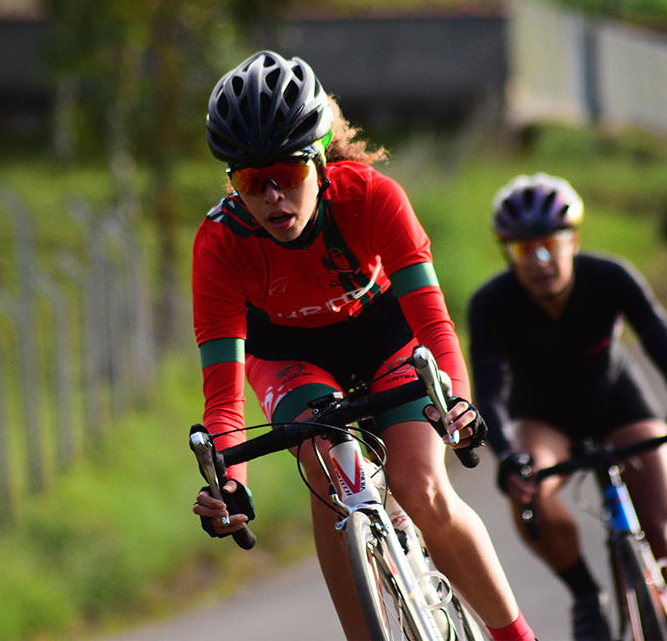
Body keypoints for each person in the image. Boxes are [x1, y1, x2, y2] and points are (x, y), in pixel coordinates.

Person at [190, 50, 536, 641]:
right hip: (290, 357)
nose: (274, 196)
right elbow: (223, 400)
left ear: (320, 161)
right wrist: (230, 482)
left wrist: (457, 402)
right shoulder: (219, 246)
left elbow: (433, 324)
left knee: (420, 486)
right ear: (232, 183)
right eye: (251, 180)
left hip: (385, 336)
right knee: (329, 471)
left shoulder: (371, 196)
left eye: (288, 174)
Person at [467, 173, 667, 641]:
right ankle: (586, 593)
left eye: (549, 244)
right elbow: (490, 394)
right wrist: (508, 457)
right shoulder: (491, 303)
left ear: (574, 240)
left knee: (665, 539)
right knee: (529, 491)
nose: (540, 260)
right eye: (524, 250)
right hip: (544, 420)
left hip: (620, 408)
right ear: (508, 253)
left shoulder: (610, 276)